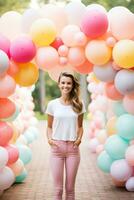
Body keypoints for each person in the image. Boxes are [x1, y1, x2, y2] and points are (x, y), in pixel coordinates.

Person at [45, 72, 86, 200]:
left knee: (70, 190)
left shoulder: (79, 104)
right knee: (58, 190)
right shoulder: (52, 104)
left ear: (72, 85)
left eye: (68, 83)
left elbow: (80, 126)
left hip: (73, 150)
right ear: (59, 84)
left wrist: (79, 140)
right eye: (63, 82)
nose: (65, 85)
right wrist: (50, 140)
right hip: (57, 148)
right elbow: (49, 126)